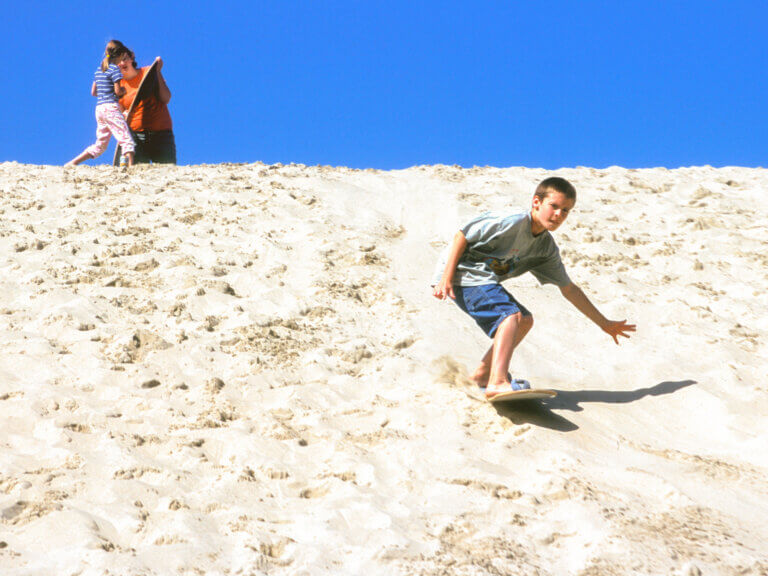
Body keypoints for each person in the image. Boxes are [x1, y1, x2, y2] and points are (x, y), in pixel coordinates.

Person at [432, 177, 636, 398]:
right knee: (509, 317)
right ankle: (497, 381)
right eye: (554, 206)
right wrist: (446, 277)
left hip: (483, 280)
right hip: (461, 275)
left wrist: (603, 323)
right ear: (536, 202)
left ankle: (482, 375)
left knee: (525, 321)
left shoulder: (545, 248)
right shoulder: (511, 221)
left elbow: (569, 290)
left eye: (565, 211)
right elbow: (462, 235)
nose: (559, 215)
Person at [66, 41, 135, 167]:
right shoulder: (115, 70)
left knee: (101, 144)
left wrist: (105, 92)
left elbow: (93, 92)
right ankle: (130, 165)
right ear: (119, 56)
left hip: (99, 109)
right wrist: (123, 91)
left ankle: (73, 162)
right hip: (111, 107)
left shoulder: (99, 70)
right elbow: (117, 91)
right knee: (125, 136)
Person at [112, 40, 176, 164]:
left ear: (131, 58)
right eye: (117, 61)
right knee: (139, 178)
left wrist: (157, 71)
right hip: (136, 136)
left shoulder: (147, 73)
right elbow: (121, 114)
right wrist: (123, 115)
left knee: (167, 175)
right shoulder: (118, 87)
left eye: (124, 58)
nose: (122, 63)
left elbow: (166, 98)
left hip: (161, 133)